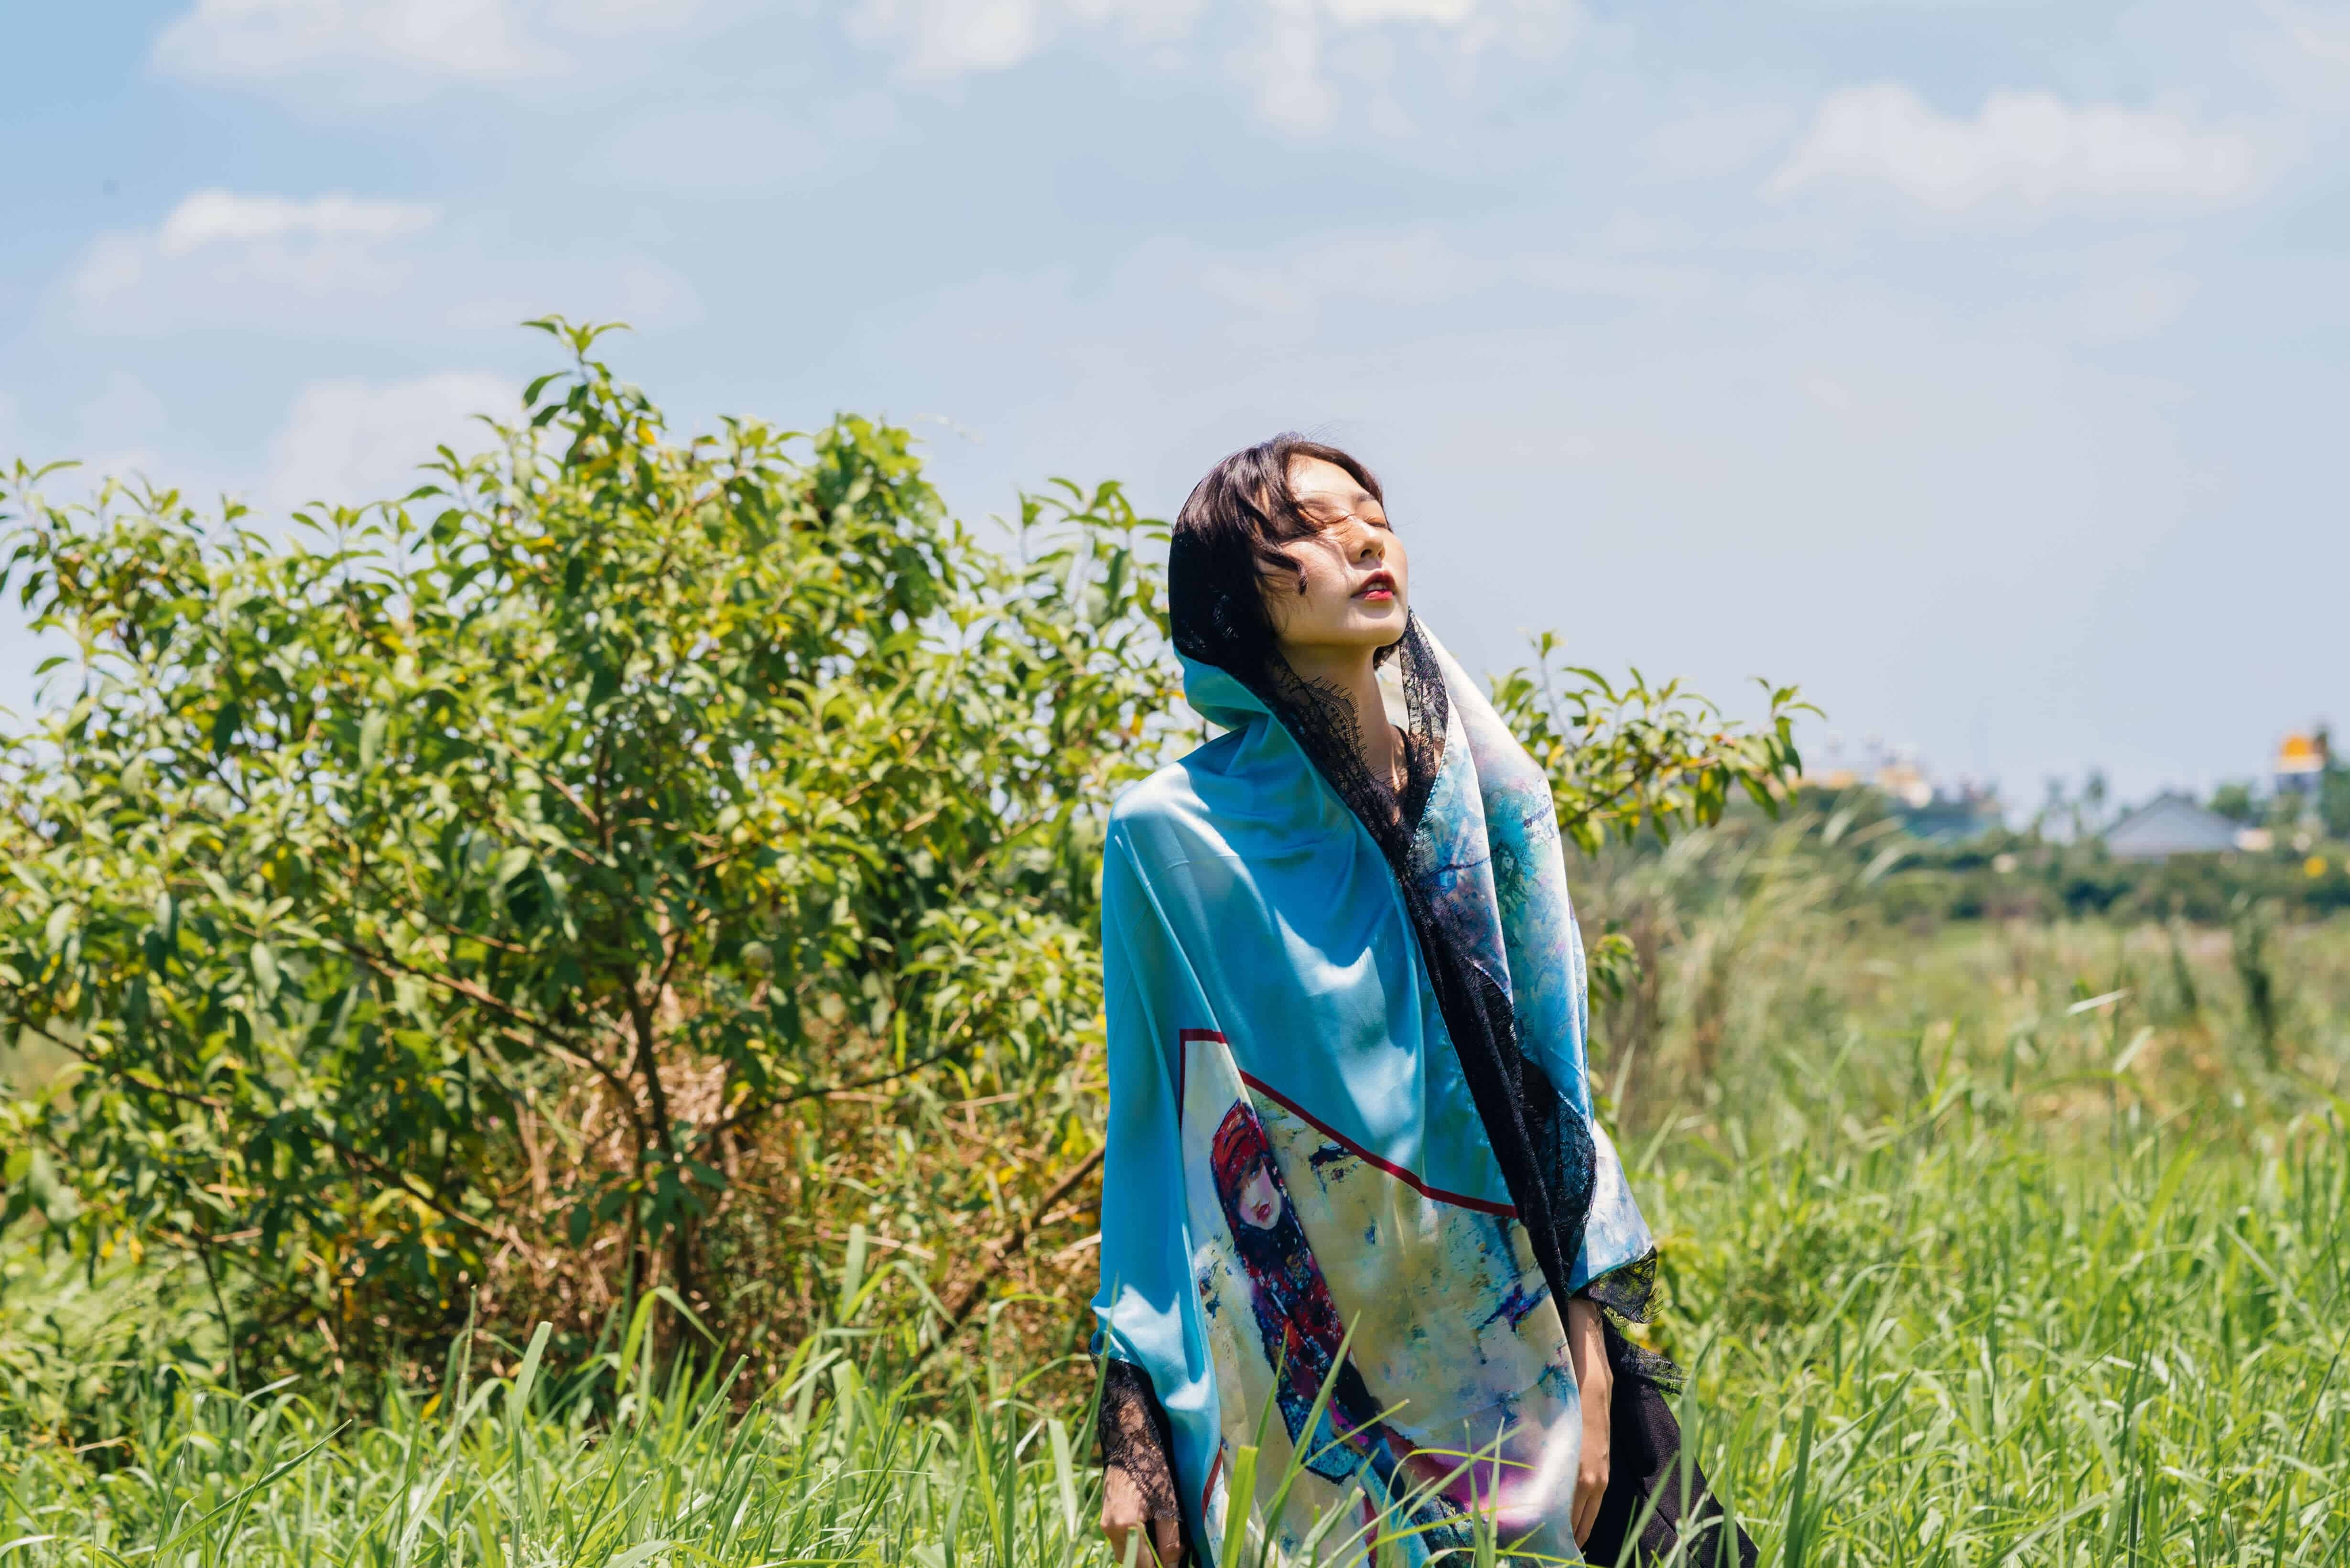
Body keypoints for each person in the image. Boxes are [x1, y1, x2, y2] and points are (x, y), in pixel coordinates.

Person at [1090, 437, 1758, 1566]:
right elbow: (1154, 1139)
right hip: (1312, 1368)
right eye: (1307, 528)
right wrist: (1132, 1428)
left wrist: (1589, 1345)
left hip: (1517, 1309)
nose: (1361, 539)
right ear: (1232, 591)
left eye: (1371, 514)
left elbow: (1553, 1096)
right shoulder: (1170, 839)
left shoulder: (1485, 804)